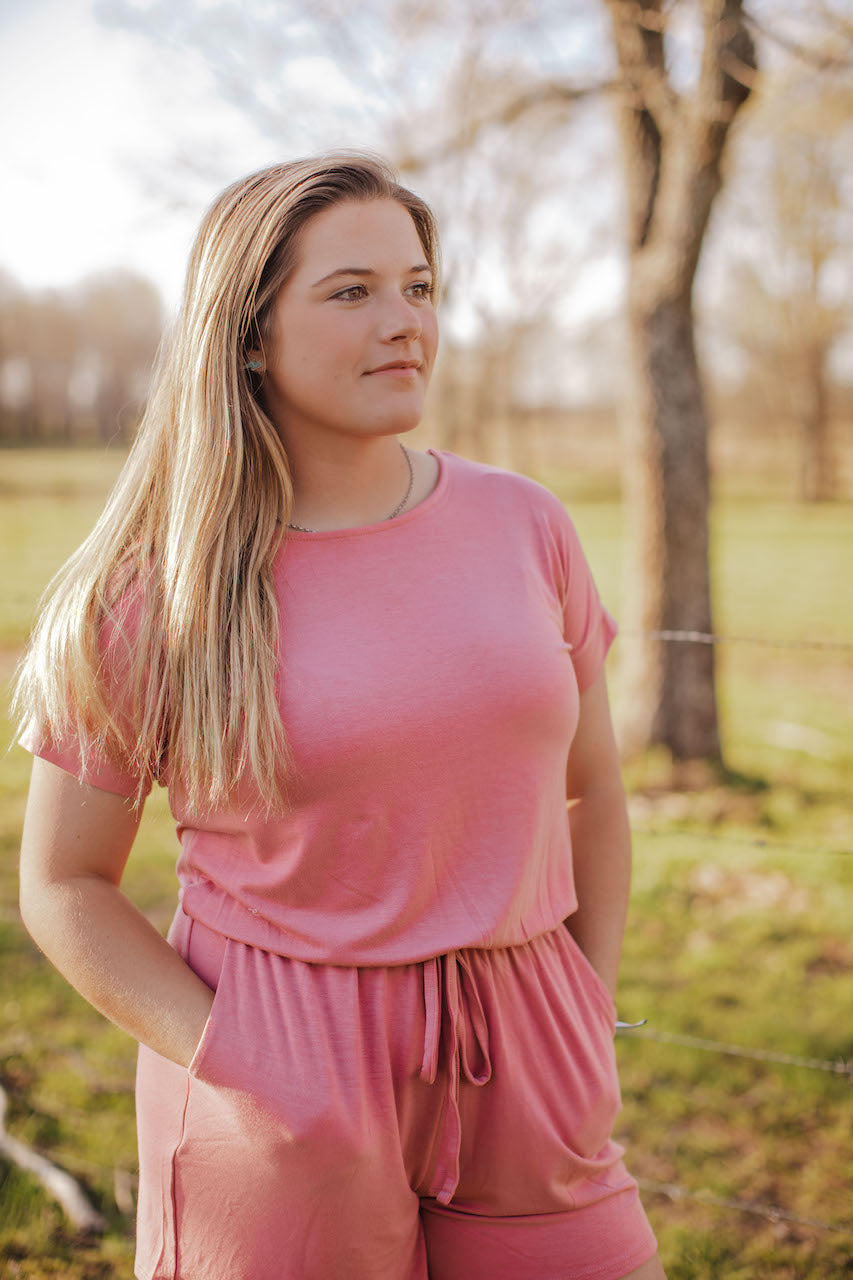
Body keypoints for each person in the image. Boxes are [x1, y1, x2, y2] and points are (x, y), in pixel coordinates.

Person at [13, 150, 666, 1280]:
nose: (404, 319)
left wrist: (581, 1005)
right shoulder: (157, 587)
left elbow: (591, 788)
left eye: (418, 286)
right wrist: (249, 1064)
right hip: (282, 1066)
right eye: (352, 290)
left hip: (526, 1044)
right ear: (249, 331)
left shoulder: (526, 525)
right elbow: (63, 883)